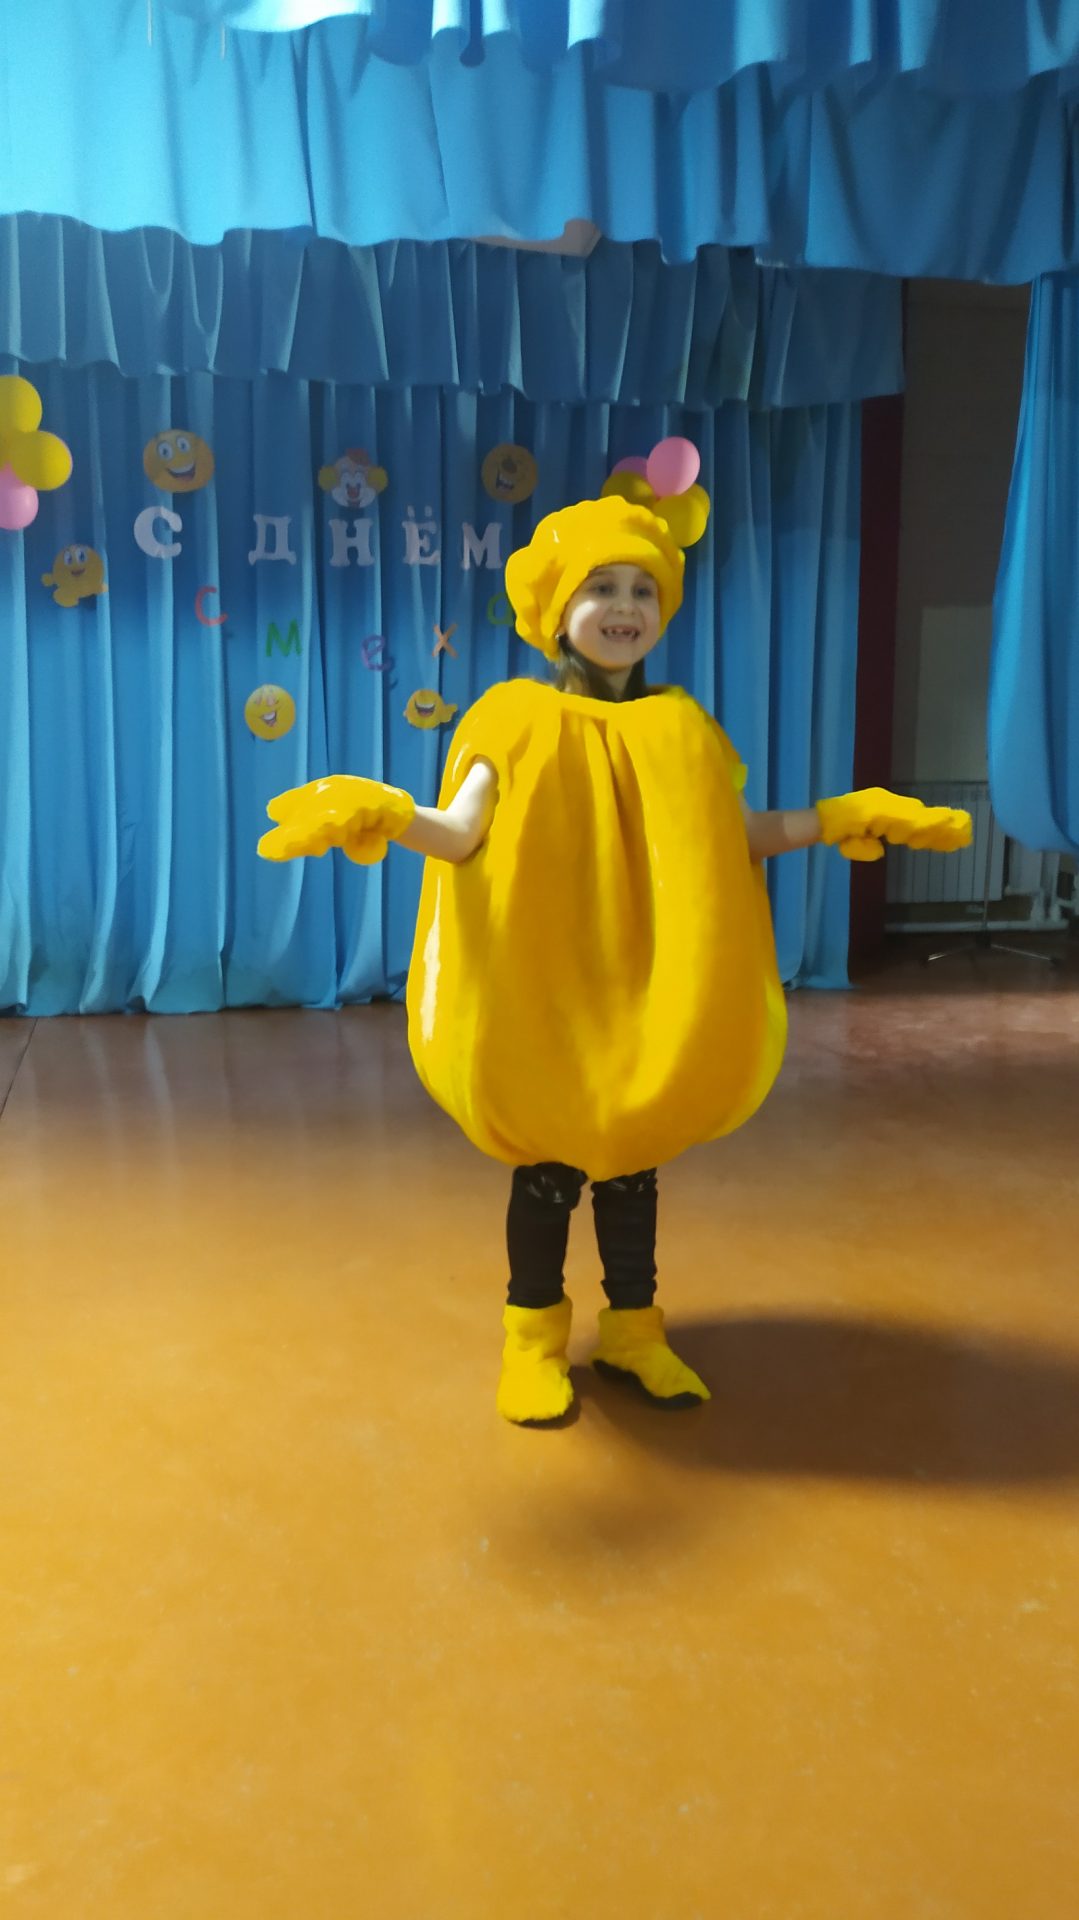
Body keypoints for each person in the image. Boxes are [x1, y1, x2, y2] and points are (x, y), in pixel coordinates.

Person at [259, 485, 970, 1427]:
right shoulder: (513, 717)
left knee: (632, 1165)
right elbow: (462, 832)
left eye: (642, 589)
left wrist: (834, 819)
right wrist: (390, 814)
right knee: (550, 1169)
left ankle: (634, 1331)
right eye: (601, 588)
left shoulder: (684, 727)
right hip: (547, 978)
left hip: (644, 979)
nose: (625, 607)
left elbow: (734, 834)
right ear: (560, 612)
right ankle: (532, 1342)